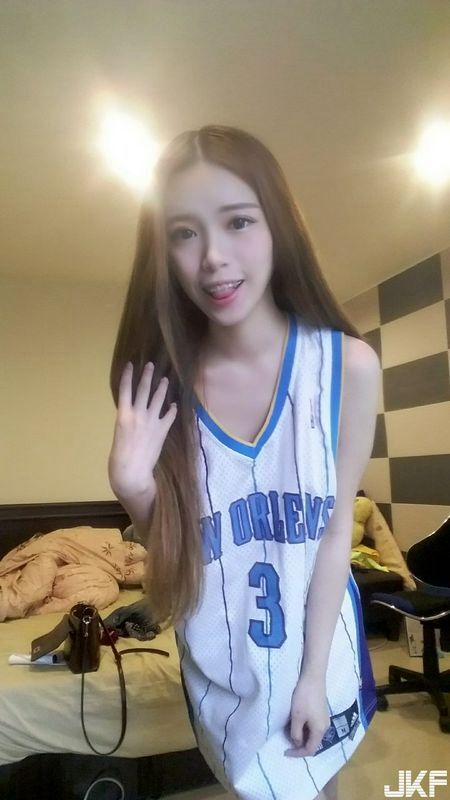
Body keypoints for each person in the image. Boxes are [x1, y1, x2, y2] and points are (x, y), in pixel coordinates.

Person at [108, 125, 380, 800]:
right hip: (221, 679)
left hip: (320, 663)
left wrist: (312, 678)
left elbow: (334, 534)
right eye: (184, 233)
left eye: (237, 221)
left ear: (278, 224)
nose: (213, 258)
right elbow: (181, 570)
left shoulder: (346, 368)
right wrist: (134, 489)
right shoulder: (162, 388)